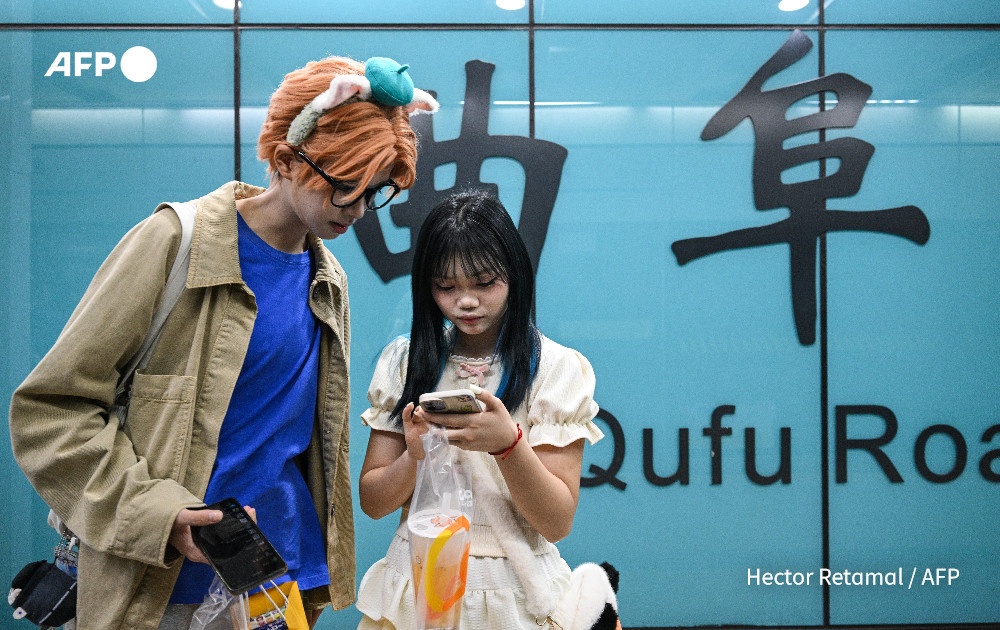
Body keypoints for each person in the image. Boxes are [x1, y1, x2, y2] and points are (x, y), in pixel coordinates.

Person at [9, 55, 437, 629]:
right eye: (345, 188)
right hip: (157, 588)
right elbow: (50, 411)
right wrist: (161, 515)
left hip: (274, 587)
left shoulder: (326, 279)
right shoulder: (173, 243)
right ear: (286, 160)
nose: (358, 210)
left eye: (374, 193)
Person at [355, 191, 604, 629]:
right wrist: (415, 454)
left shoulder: (556, 368)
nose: (465, 301)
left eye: (485, 282)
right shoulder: (404, 362)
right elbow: (374, 502)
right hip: (420, 577)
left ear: (515, 276)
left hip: (517, 587)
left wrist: (508, 445)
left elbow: (557, 520)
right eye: (446, 287)